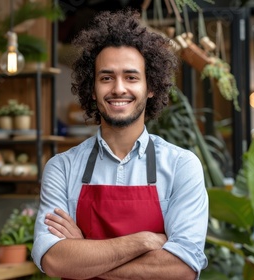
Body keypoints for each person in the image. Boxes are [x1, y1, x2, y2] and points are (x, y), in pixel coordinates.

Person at [32, 8, 208, 280]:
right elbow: (54, 260)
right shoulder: (62, 168)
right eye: (106, 78)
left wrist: (83, 254)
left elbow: (182, 267)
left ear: (151, 87)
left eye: (131, 77)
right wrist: (143, 241)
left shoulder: (181, 166)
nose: (118, 89)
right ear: (92, 89)